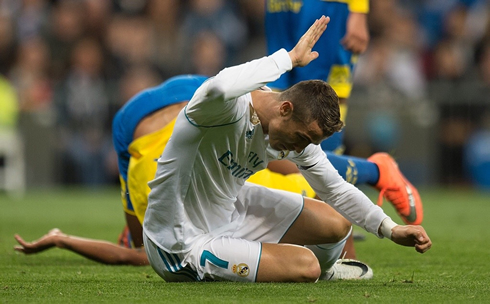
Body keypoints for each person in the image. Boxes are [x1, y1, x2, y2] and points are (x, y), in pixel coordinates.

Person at [142, 16, 431, 283]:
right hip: (179, 242)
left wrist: (390, 228)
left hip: (229, 211)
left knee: (337, 225)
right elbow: (220, 86)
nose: (301, 148)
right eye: (302, 137)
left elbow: (336, 190)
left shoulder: (295, 134)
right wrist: (289, 59)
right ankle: (300, 269)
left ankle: (316, 270)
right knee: (306, 266)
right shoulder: (220, 109)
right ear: (285, 108)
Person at [265, 0, 424, 226]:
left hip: (327, 7)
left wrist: (358, 10)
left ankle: (336, 232)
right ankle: (373, 173)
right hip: (281, 6)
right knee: (275, 121)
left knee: (319, 108)